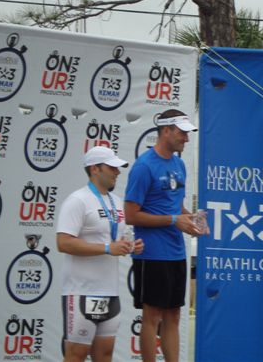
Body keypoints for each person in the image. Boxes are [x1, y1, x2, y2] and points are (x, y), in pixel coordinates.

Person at [124, 109, 207, 362]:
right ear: (166, 130)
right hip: (151, 253)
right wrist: (173, 220)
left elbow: (175, 207)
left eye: (188, 133)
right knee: (152, 317)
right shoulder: (144, 166)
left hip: (176, 253)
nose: (187, 138)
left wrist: (192, 220)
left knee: (174, 316)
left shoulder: (179, 164)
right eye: (182, 133)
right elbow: (131, 215)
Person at [56, 146, 144, 362]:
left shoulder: (117, 202)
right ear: (95, 169)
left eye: (118, 168)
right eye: (112, 167)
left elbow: (115, 241)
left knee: (104, 356)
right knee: (76, 355)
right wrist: (106, 248)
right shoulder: (77, 200)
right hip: (81, 291)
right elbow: (63, 242)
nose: (117, 172)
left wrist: (130, 246)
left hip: (110, 292)